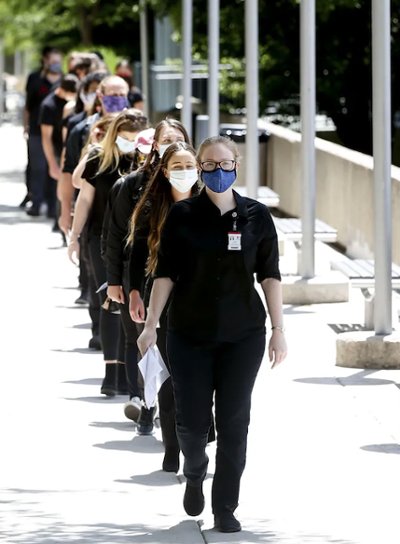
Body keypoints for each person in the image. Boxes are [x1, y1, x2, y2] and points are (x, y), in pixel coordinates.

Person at [137, 135, 287, 533]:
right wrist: (151, 325)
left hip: (244, 335)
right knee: (191, 422)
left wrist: (279, 330)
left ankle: (225, 506)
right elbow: (165, 273)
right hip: (189, 333)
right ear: (199, 168)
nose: (217, 171)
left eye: (224, 163)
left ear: (236, 165)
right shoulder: (182, 215)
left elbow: (270, 276)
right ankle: (194, 470)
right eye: (208, 164)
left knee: (236, 421)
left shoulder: (257, 216)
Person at [105, 118, 190, 427]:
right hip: (141, 277)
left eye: (178, 139)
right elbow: (117, 237)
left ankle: (172, 407)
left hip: (184, 282)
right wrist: (120, 284)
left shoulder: (198, 188)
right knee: (142, 342)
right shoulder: (132, 186)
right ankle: (146, 402)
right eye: (165, 140)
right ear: (155, 145)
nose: (171, 145)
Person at [127, 142, 200, 471]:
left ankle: (198, 434)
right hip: (161, 297)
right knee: (169, 380)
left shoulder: (210, 206)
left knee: (200, 380)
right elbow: (138, 256)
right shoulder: (152, 207)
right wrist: (135, 295)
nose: (184, 172)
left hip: (202, 301)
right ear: (166, 171)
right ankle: (172, 447)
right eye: (178, 166)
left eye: (190, 165)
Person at [68, 111, 148, 396]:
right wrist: (73, 237)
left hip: (134, 244)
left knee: (130, 308)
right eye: (123, 138)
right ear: (114, 135)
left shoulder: (146, 163)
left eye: (134, 139)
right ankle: (111, 373)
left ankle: (131, 378)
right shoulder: (98, 159)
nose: (129, 144)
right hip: (99, 238)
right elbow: (84, 197)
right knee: (109, 302)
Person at [24, 48, 64, 215]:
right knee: (37, 167)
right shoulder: (35, 79)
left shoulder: (65, 81)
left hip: (57, 132)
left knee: (54, 167)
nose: (55, 65)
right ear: (45, 61)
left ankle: (53, 206)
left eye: (58, 62)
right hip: (36, 130)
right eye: (52, 62)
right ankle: (36, 203)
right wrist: (25, 126)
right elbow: (28, 106)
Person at [37, 74, 79, 221]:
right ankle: (58, 218)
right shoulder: (49, 105)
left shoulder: (73, 103)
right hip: (57, 149)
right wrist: (52, 163)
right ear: (62, 90)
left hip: (70, 149)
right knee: (59, 188)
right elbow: (46, 137)